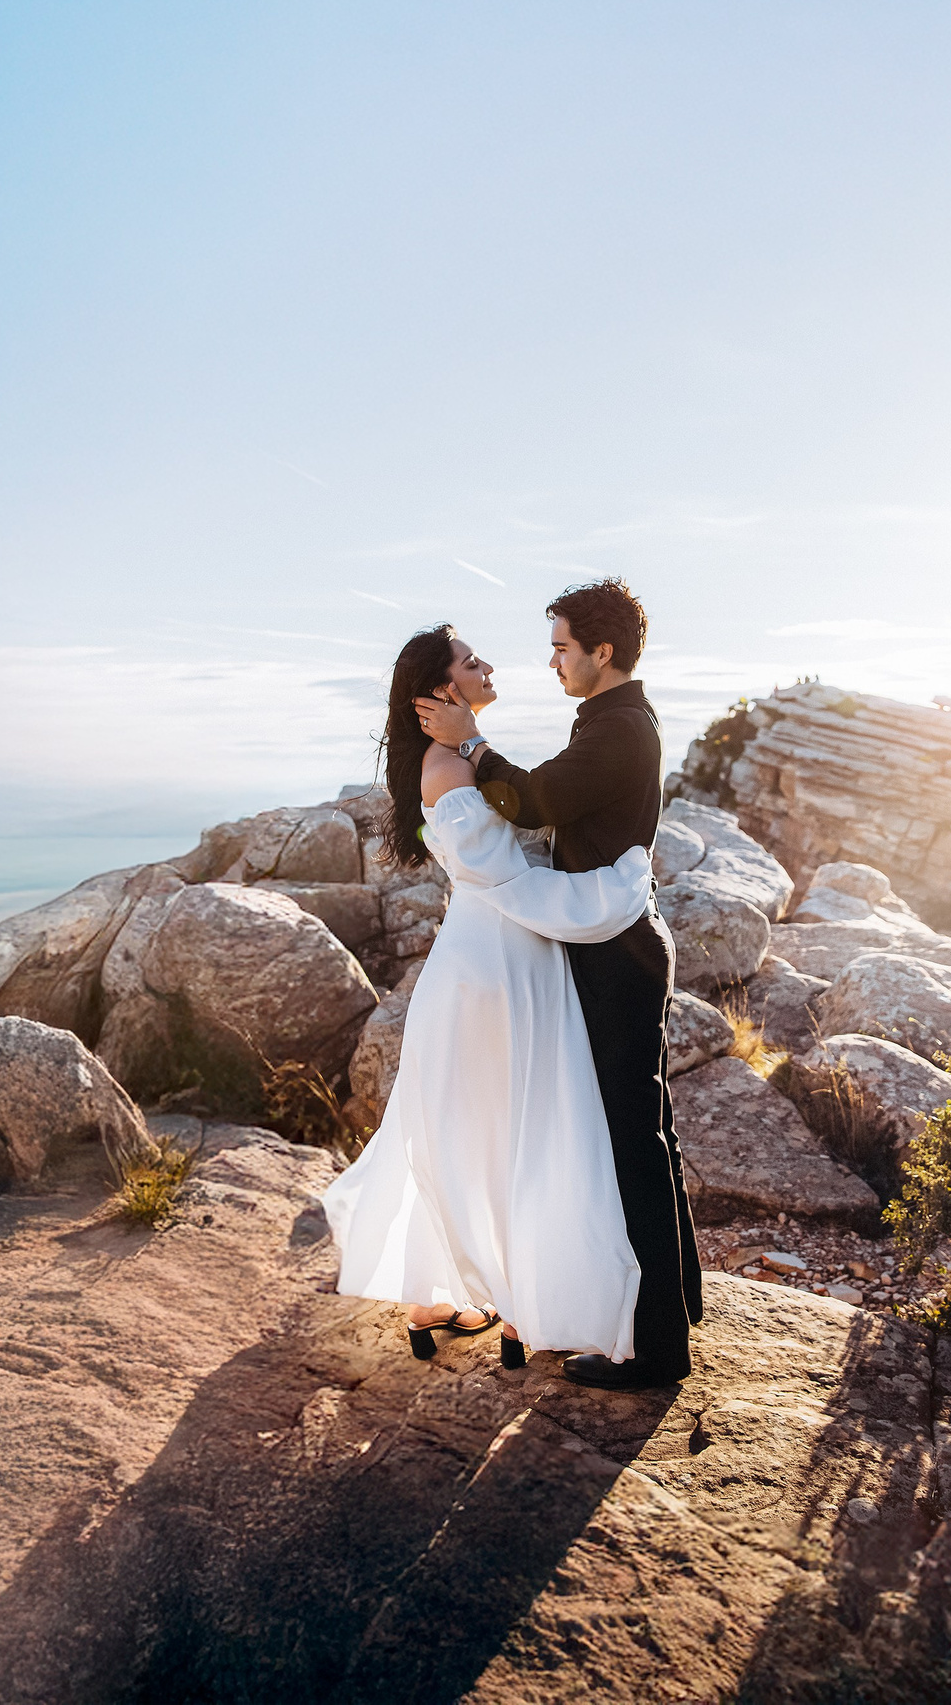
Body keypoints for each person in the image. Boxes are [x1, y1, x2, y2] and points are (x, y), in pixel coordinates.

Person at [324, 624, 655, 1367]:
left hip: (481, 961)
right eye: (471, 662)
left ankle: (440, 1302)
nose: (489, 667)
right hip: (505, 964)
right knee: (518, 1132)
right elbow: (508, 880)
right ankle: (516, 1309)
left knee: (471, 1128)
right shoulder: (448, 771)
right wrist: (614, 890)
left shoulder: (446, 765)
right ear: (442, 692)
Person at [414, 578, 703, 1390]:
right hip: (614, 940)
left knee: (632, 1143)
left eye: (562, 648)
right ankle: (680, 1304)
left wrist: (471, 744)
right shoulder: (613, 720)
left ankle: (657, 1348)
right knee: (651, 1132)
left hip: (617, 953)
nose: (551, 662)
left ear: (601, 652)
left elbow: (537, 799)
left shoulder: (620, 728)